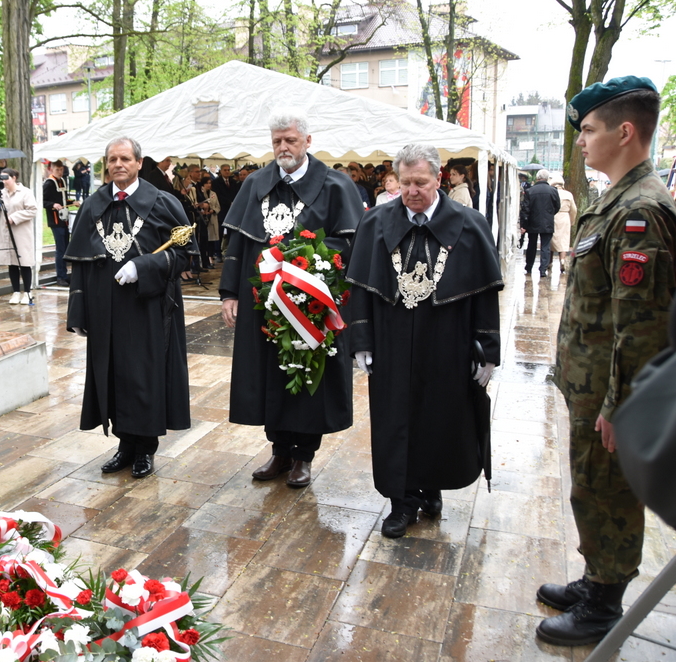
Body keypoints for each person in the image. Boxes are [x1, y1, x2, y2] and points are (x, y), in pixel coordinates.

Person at [537, 76, 676, 646]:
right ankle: (597, 575)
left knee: (606, 489)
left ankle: (604, 602)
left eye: (589, 129)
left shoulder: (641, 211)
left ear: (624, 131)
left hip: (609, 392)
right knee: (590, 486)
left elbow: (641, 327)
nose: (580, 142)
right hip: (591, 384)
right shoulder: (618, 201)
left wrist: (621, 405)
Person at [346, 143, 503, 538]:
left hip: (447, 342)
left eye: (421, 182)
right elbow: (361, 289)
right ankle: (402, 502)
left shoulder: (470, 223)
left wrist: (487, 352)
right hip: (392, 340)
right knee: (395, 420)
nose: (412, 190)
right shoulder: (376, 222)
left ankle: (431, 489)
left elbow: (484, 293)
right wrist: (361, 341)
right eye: (405, 182)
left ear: (439, 177)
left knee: (439, 418)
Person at [219, 108, 363, 488]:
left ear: (308, 142)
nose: (283, 148)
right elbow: (239, 242)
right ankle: (280, 451)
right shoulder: (254, 183)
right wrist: (229, 293)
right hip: (260, 301)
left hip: (311, 303)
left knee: (306, 373)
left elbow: (348, 244)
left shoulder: (335, 185)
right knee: (269, 374)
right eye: (277, 141)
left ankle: (304, 456)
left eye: (291, 140)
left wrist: (304, 261)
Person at [64, 136, 196, 479]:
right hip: (104, 309)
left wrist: (145, 267)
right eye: (112, 160)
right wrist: (77, 312)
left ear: (139, 163)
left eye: (125, 159)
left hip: (148, 308)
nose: (118, 165)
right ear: (106, 165)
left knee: (143, 377)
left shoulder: (164, 202)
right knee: (113, 376)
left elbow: (185, 254)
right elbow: (78, 263)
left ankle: (145, 449)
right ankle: (124, 444)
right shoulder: (92, 205)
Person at [0, 168, 38, 305]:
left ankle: (27, 292)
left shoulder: (25, 192)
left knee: (24, 261)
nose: (4, 181)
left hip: (21, 231)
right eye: (2, 178)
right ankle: (15, 292)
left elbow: (33, 210)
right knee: (11, 261)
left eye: (6, 178)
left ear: (14, 178)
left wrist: (14, 217)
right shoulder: (2, 193)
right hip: (6, 232)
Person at [521, 169, 561, 277]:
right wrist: (550, 214)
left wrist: (524, 224)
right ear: (547, 178)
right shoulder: (553, 191)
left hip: (533, 221)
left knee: (531, 245)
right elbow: (557, 206)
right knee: (545, 246)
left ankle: (529, 266)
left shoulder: (530, 191)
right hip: (547, 221)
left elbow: (525, 209)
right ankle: (543, 269)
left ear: (537, 178)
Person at [43, 160, 71, 286]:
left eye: (61, 169)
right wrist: (52, 204)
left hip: (64, 220)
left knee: (65, 248)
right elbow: (42, 201)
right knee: (60, 249)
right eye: (57, 170)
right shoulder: (49, 183)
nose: (60, 172)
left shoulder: (62, 181)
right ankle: (60, 276)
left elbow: (63, 199)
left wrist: (71, 202)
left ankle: (64, 275)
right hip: (55, 221)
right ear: (51, 170)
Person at [549, 172, 577, 273]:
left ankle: (550, 261)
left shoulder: (551, 192)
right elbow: (574, 210)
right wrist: (572, 220)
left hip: (552, 217)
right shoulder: (568, 194)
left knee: (551, 240)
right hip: (565, 217)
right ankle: (562, 260)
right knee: (564, 241)